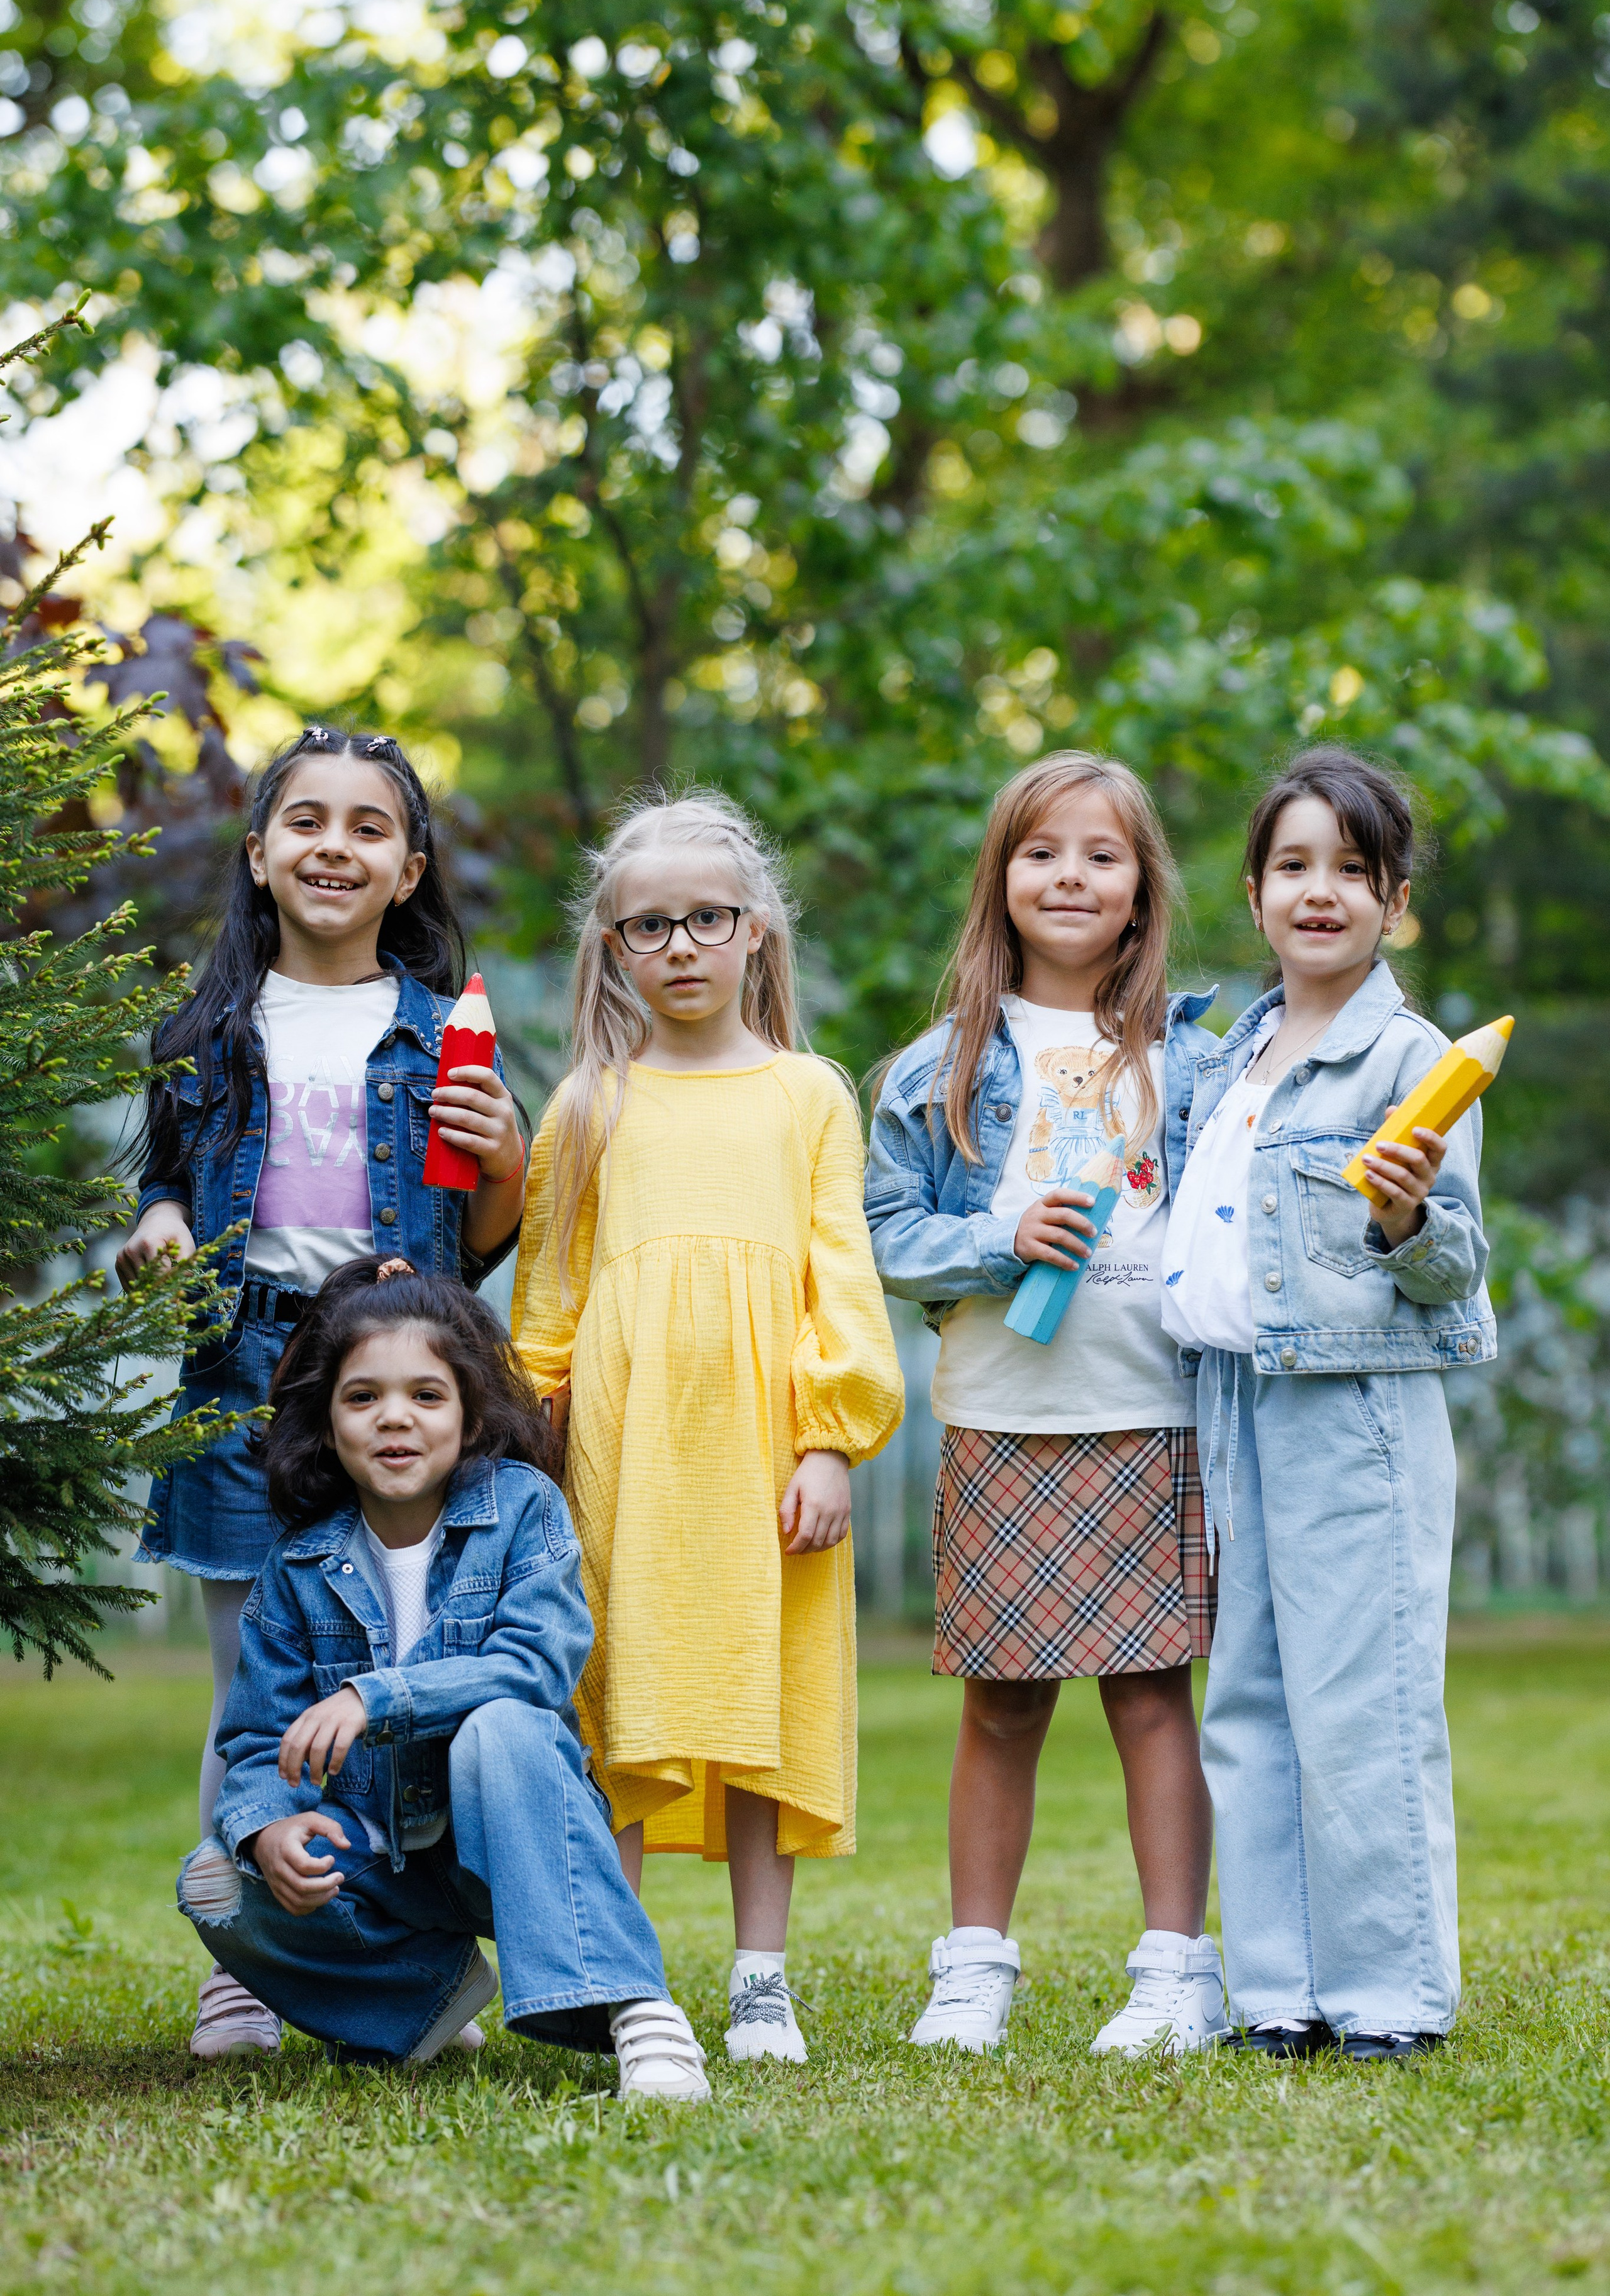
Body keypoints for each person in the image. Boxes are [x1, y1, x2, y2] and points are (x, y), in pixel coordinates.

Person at [121, 726, 527, 2061]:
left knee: (404, 1679)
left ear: (409, 870)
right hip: (244, 1379)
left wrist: (509, 1164)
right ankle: (247, 1960)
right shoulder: (209, 1033)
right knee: (254, 1689)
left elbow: (474, 1247)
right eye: (306, 822)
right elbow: (164, 1191)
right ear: (259, 856)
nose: (334, 846)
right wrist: (161, 1228)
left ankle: (408, 1954)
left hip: (394, 1377)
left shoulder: (440, 1035)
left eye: (368, 827)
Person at [510, 789, 904, 2067]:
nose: (678, 945)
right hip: (618, 1459)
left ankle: (757, 1979)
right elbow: (549, 1299)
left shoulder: (809, 1095)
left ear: (755, 932)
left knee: (759, 1698)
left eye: (705, 919)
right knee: (614, 1696)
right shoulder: (586, 1106)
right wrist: (530, 1439)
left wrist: (827, 1440)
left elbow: (836, 1277)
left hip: (761, 1451)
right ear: (611, 948)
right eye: (647, 926)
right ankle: (621, 1977)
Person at [865, 750, 1225, 2058]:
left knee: (1147, 1694)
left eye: (1100, 856)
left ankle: (1176, 1965)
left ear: (1140, 893)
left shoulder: (1192, 1061)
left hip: (1153, 1412)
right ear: (999, 881)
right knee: (1000, 1701)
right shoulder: (940, 1064)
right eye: (1039, 852)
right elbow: (883, 1231)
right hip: (1005, 1411)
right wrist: (1001, 1234)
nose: (1068, 875)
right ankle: (973, 1964)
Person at [175, 1256, 710, 2099]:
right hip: (373, 1854)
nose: (395, 1419)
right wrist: (267, 1830)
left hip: (508, 1840)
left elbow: (532, 1668)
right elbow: (256, 1740)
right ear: (326, 1421)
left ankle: (635, 2007)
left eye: (426, 1396)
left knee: (502, 1725)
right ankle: (423, 1995)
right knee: (211, 1883)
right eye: (364, 1398)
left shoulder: (523, 1511)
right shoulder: (297, 1565)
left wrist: (376, 1695)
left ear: (468, 1414)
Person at [1160, 747, 1491, 2063]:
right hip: (1231, 1399)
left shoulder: (1406, 1055)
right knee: (1247, 1703)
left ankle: (1388, 1995)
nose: (1318, 893)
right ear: (1251, 895)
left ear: (1392, 902)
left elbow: (1455, 1264)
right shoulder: (1231, 1047)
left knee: (1362, 1702)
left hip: (1351, 1409)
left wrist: (1405, 1214)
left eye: (1349, 872)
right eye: (1291, 867)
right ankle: (1279, 1993)